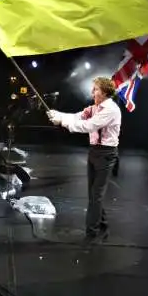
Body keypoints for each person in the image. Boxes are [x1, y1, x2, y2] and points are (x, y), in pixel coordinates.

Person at [47, 77, 122, 243]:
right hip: (95, 152)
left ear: (104, 92)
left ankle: (92, 232)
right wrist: (57, 114)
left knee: (96, 195)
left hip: (106, 154)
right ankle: (103, 226)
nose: (92, 92)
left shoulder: (110, 109)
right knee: (94, 195)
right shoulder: (94, 107)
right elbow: (78, 117)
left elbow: (89, 126)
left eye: (95, 89)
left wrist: (62, 123)